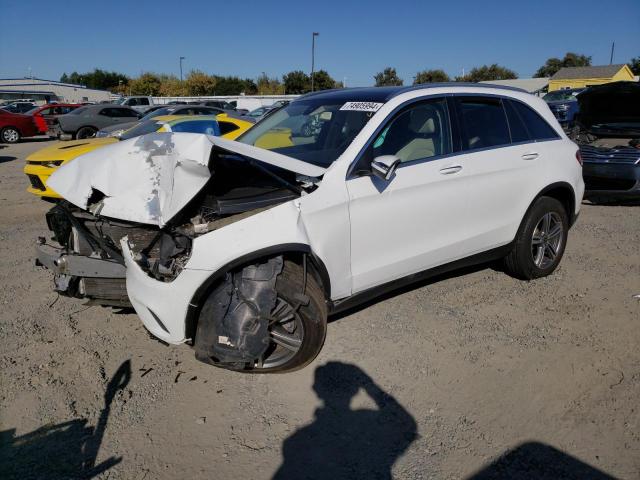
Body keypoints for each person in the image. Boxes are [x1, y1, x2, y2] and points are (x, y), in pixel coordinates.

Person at [273, 362, 417, 480]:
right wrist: (369, 385)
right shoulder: (368, 420)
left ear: (316, 390)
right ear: (355, 391)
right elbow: (407, 424)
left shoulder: (296, 441)